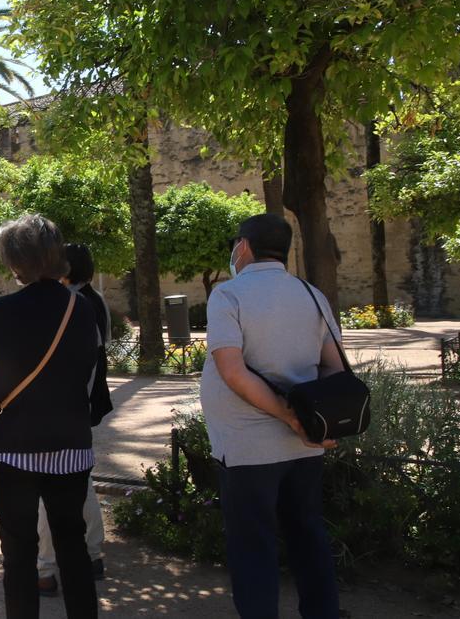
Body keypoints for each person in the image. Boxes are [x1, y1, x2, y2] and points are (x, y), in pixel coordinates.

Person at [201, 213, 342, 618]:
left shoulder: (228, 296)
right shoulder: (312, 295)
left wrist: (286, 414)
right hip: (305, 446)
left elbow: (232, 370)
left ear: (242, 246)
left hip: (247, 448)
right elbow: (334, 366)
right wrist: (306, 419)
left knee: (253, 547)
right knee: (308, 537)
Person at [0, 215, 101, 618]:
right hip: (71, 445)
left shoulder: (2, 310)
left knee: (19, 554)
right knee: (73, 547)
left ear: (15, 261)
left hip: (14, 449)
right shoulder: (81, 307)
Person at [36, 243, 113, 596]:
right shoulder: (91, 301)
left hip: (59, 409)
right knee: (81, 483)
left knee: (47, 488)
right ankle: (92, 554)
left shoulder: (69, 304)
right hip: (80, 406)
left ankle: (45, 567)